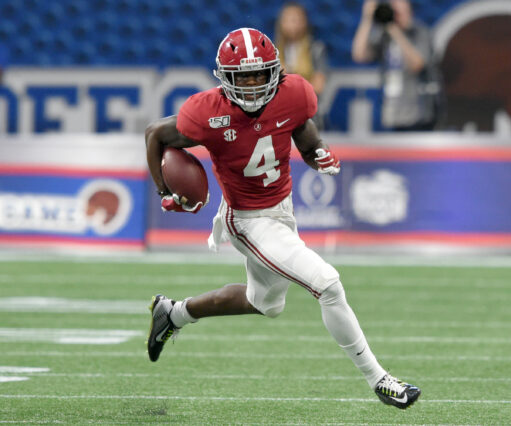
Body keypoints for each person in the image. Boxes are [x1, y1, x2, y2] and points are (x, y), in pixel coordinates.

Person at [144, 27, 421, 409]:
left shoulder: (294, 94)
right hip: (247, 219)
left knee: (264, 304)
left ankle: (172, 314)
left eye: (260, 75)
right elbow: (154, 134)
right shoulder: (206, 112)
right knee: (327, 284)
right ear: (226, 79)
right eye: (244, 78)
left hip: (282, 209)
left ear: (276, 72)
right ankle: (379, 379)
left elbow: (305, 137)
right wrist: (164, 191)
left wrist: (319, 154)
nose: (255, 86)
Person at [352, 0, 442, 131]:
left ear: (408, 9)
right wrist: (367, 20)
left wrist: (394, 30)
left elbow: (417, 64)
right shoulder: (384, 36)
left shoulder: (419, 32)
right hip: (392, 112)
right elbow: (359, 55)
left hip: (418, 114)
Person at [274, 2, 329, 128]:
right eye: (288, 20)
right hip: (280, 117)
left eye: (297, 20)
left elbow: (319, 86)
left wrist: (288, 77)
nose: (293, 25)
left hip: (308, 117)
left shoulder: (315, 49)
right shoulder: (273, 51)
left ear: (305, 22)